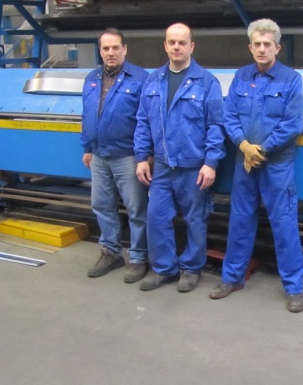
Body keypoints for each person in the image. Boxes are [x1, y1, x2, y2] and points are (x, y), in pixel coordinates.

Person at [209, 19, 303, 312]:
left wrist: (261, 150)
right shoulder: (241, 76)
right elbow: (229, 116)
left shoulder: (291, 79)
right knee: (240, 220)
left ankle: (294, 288)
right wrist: (243, 146)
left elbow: (293, 123)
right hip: (245, 163)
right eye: (257, 44)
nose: (262, 49)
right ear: (250, 47)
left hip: (276, 165)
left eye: (267, 44)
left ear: (277, 47)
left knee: (284, 224)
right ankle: (232, 278)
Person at [134, 23, 225, 293]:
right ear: (165, 46)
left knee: (195, 219)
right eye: (172, 42)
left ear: (191, 46)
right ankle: (164, 269)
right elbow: (143, 121)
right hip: (162, 165)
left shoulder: (207, 82)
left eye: (182, 42)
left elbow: (215, 126)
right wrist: (142, 157)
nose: (176, 47)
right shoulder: (153, 80)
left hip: (193, 166)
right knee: (156, 217)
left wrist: (210, 163)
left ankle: (191, 269)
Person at [81, 28, 150, 282]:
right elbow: (87, 114)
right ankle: (110, 252)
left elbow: (147, 121)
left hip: (128, 155)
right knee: (101, 205)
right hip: (99, 155)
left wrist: (144, 156)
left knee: (136, 208)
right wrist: (87, 147)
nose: (111, 52)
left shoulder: (140, 79)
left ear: (125, 49)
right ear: (100, 51)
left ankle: (139, 258)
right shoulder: (91, 78)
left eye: (115, 48)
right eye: (106, 48)